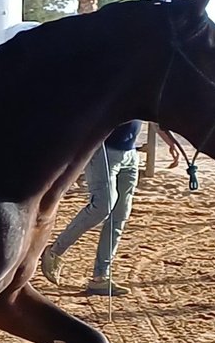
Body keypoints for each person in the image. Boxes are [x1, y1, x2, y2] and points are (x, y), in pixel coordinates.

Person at [40, 120, 142, 296]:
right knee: (102, 206)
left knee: (120, 214)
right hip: (103, 149)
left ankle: (100, 278)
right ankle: (54, 252)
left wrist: (170, 141)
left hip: (130, 152)